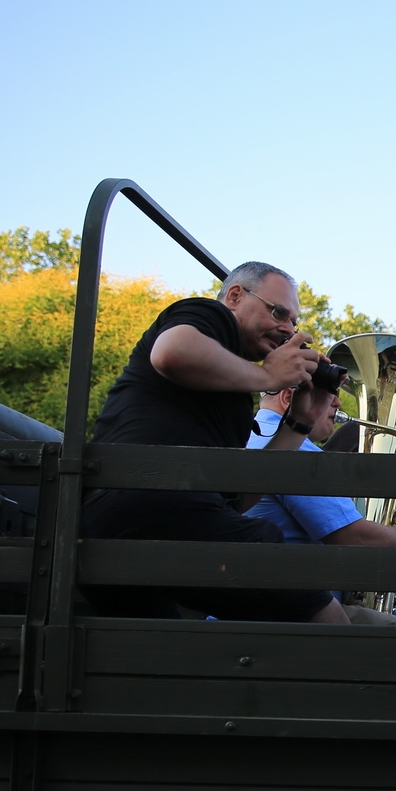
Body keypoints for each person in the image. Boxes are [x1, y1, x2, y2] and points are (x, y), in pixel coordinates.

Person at [81, 262, 346, 625]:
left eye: (293, 322)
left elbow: (238, 501)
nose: (288, 329)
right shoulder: (212, 316)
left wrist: (300, 422)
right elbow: (171, 351)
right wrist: (268, 375)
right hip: (154, 507)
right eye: (278, 312)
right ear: (235, 296)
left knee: (159, 650)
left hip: (117, 526)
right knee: (327, 617)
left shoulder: (229, 392)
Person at [242, 364, 396, 626]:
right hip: (292, 616)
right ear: (288, 397)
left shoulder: (249, 436)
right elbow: (354, 538)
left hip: (266, 606)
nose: (338, 402)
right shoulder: (298, 451)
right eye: (329, 394)